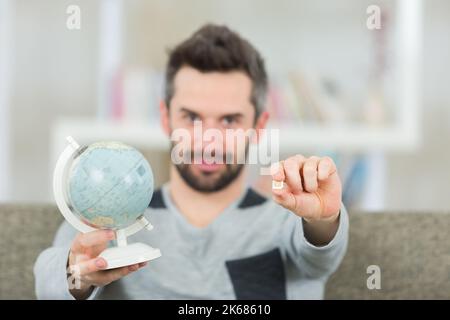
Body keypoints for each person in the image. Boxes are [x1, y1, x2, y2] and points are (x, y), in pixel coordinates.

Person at [34, 24, 348, 300]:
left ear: (259, 125)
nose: (207, 139)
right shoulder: (110, 214)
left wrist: (323, 219)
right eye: (192, 117)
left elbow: (320, 255)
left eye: (229, 120)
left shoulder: (286, 222)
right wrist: (78, 275)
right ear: (165, 118)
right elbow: (51, 285)